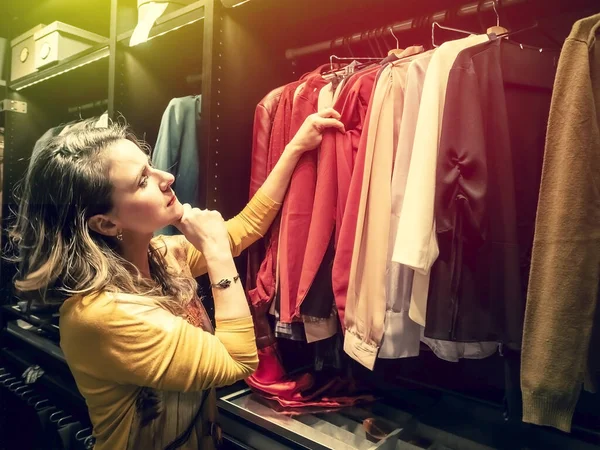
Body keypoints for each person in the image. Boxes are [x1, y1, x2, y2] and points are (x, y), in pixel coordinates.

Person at [9, 109, 344, 450]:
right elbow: (238, 361)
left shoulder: (162, 256)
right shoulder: (103, 315)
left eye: (150, 164)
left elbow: (247, 227)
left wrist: (295, 148)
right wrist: (215, 252)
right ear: (107, 224)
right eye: (142, 180)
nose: (165, 176)